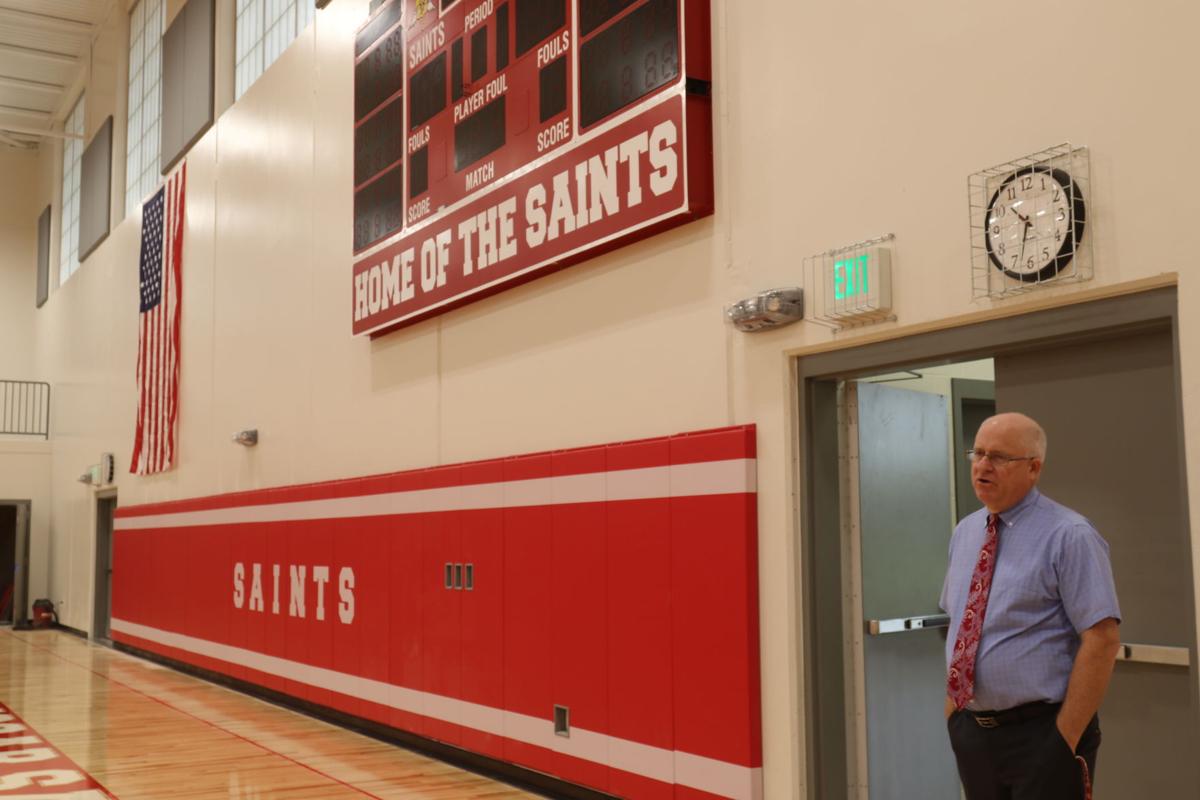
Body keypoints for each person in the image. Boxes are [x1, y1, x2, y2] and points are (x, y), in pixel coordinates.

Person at [941, 412, 1121, 799]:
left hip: (1043, 732)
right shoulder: (966, 532)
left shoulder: (1070, 536)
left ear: (1034, 467)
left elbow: (1102, 639)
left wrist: (1064, 736)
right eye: (978, 453)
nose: (983, 466)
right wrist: (954, 712)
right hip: (974, 732)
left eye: (999, 458)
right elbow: (960, 624)